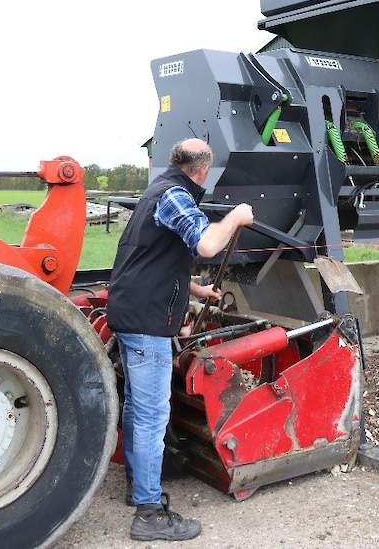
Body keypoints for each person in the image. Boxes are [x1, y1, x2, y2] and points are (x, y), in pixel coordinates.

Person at [106, 138, 254, 542]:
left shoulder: (156, 191)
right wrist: (236, 218)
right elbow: (206, 243)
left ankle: (139, 489)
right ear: (202, 169)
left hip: (131, 313)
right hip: (147, 323)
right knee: (153, 416)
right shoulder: (174, 195)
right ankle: (150, 515)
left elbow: (151, 259)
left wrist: (192, 289)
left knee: (139, 409)